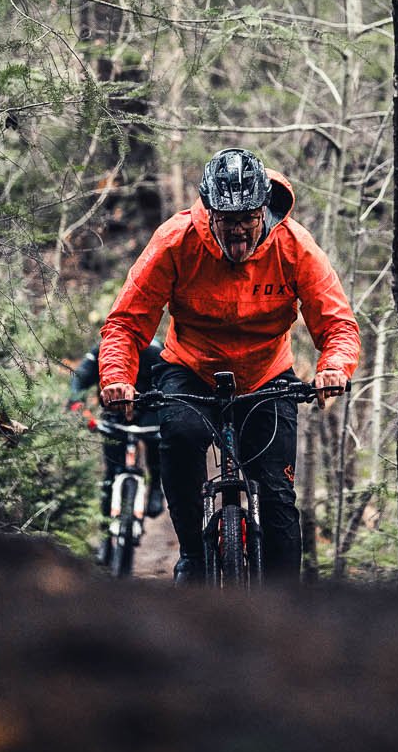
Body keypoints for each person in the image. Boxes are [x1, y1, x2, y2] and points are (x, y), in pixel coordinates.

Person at [97, 147, 359, 582]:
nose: (237, 230)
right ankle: (193, 556)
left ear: (263, 210)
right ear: (209, 211)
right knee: (179, 437)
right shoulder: (176, 241)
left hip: (266, 374)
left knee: (276, 497)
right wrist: (117, 377)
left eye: (248, 218)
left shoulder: (294, 246)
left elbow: (337, 324)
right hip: (191, 368)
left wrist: (334, 367)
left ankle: (283, 606)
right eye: (226, 219)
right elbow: (126, 322)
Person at [68, 336, 165, 520]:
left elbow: (171, 384)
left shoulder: (156, 352)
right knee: (112, 456)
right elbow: (79, 379)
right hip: (115, 409)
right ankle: (109, 484)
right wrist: (77, 405)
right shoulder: (105, 348)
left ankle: (155, 486)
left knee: (156, 443)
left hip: (149, 409)